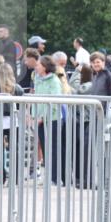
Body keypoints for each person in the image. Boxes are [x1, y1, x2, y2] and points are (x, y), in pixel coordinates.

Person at [33, 55, 65, 186]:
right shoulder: (37, 78)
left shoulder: (54, 81)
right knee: (46, 149)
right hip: (41, 120)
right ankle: (50, 176)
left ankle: (56, 178)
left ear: (45, 67)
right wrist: (34, 115)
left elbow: (54, 102)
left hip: (53, 119)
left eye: (38, 64)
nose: (36, 66)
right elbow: (36, 98)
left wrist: (42, 117)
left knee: (54, 149)